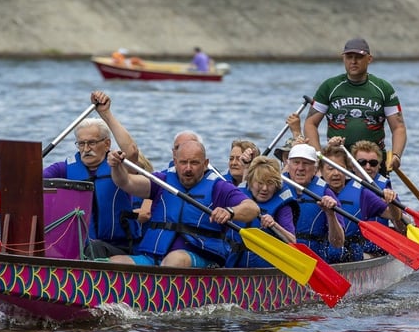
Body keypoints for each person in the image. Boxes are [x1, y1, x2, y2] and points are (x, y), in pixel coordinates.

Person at [107, 140, 259, 268]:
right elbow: (125, 181)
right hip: (154, 258)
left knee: (175, 260)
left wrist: (230, 212)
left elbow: (252, 208)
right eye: (183, 162)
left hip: (199, 258)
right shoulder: (163, 181)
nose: (188, 168)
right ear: (175, 162)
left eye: (194, 163)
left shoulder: (219, 187)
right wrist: (116, 166)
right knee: (115, 262)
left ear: (205, 163)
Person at [42, 91, 141, 259]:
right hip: (79, 246)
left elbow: (131, 151)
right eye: (81, 143)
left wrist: (106, 114)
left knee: (93, 248)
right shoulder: (64, 169)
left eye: (92, 143)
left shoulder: (119, 165)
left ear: (107, 143)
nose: (86, 149)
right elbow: (31, 180)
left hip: (119, 247)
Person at [303, 38, 406, 173]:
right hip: (338, 160)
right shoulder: (329, 86)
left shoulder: (383, 88)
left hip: (371, 162)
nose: (353, 61)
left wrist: (396, 155)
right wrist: (319, 156)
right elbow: (310, 123)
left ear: (369, 59)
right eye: (349, 57)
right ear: (343, 58)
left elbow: (398, 127)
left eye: (359, 57)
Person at [319, 144, 403, 261]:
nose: (336, 173)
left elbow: (395, 215)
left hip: (353, 256)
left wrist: (392, 202)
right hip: (320, 255)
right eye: (330, 168)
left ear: (348, 169)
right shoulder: (313, 191)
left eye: (340, 168)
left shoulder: (363, 193)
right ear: (320, 171)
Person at [226, 156, 299, 268]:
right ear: (250, 182)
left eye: (270, 183)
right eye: (260, 183)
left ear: (276, 185)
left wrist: (274, 225)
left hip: (267, 271)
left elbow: (292, 241)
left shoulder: (283, 206)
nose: (264, 188)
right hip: (234, 267)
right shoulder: (237, 196)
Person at [283, 143, 346, 263]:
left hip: (313, 260)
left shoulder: (326, 193)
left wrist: (330, 214)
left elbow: (338, 243)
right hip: (282, 258)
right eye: (296, 162)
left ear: (315, 169)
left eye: (306, 163)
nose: (300, 168)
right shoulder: (275, 187)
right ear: (288, 165)